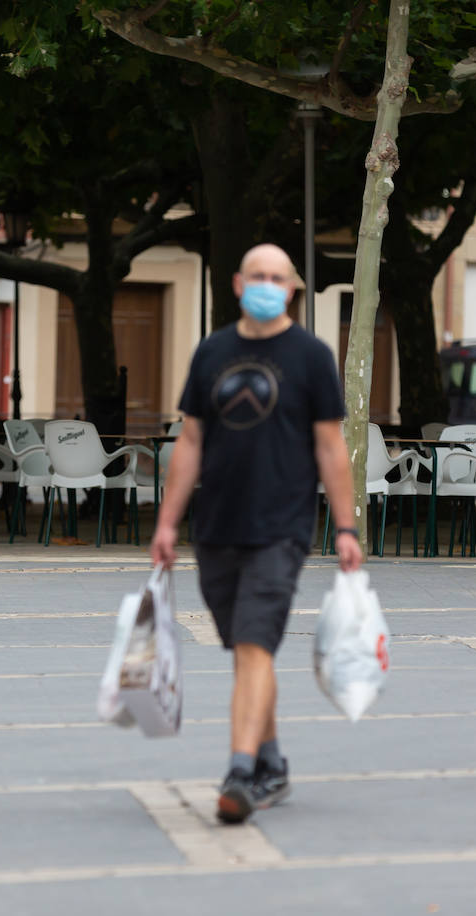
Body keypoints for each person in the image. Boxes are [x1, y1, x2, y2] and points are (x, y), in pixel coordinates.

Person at [150, 243, 362, 825]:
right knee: (247, 651)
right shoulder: (213, 351)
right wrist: (167, 522)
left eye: (278, 277)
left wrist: (345, 526)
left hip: (281, 527)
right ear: (239, 284)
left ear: (291, 288)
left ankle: (240, 772)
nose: (268, 284)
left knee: (254, 644)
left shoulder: (312, 356)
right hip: (216, 526)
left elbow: (330, 447)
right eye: (257, 276)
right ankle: (271, 759)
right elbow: (190, 441)